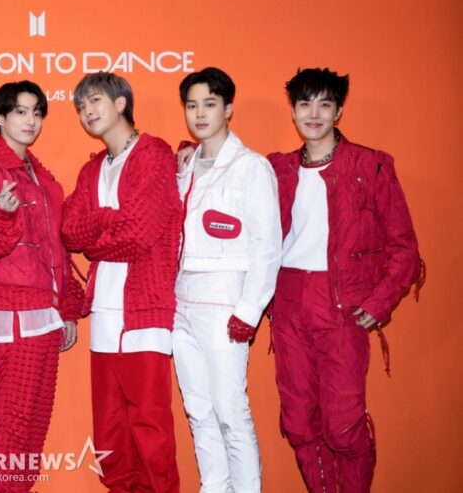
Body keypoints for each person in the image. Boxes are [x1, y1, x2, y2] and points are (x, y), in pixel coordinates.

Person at [267, 68, 424, 492]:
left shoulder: (371, 165)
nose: (314, 114)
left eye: (325, 104)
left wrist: (379, 302)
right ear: (293, 112)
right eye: (304, 104)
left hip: (341, 303)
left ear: (339, 111)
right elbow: (227, 167)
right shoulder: (276, 168)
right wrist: (188, 151)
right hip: (288, 303)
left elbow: (405, 247)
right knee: (299, 423)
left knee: (343, 424)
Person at [0, 80, 84, 492]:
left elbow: (57, 248)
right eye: (20, 112)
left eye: (36, 112)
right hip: (12, 309)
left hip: (45, 310)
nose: (30, 121)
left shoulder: (37, 172)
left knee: (35, 422)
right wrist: (1, 214)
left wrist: (66, 307)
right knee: (14, 420)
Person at [62, 71, 181, 492]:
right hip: (104, 315)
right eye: (81, 106)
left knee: (151, 429)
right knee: (111, 434)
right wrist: (109, 219)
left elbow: (138, 234)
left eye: (94, 100)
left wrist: (98, 232)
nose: (87, 111)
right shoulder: (92, 168)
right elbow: (70, 232)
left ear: (120, 103)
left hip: (145, 312)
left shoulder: (154, 155)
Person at [173, 67, 281, 493]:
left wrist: (249, 310)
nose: (200, 114)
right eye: (192, 105)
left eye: (210, 104)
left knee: (231, 412)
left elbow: (267, 245)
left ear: (229, 109)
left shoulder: (251, 167)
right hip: (182, 303)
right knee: (199, 411)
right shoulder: (184, 167)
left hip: (225, 304)